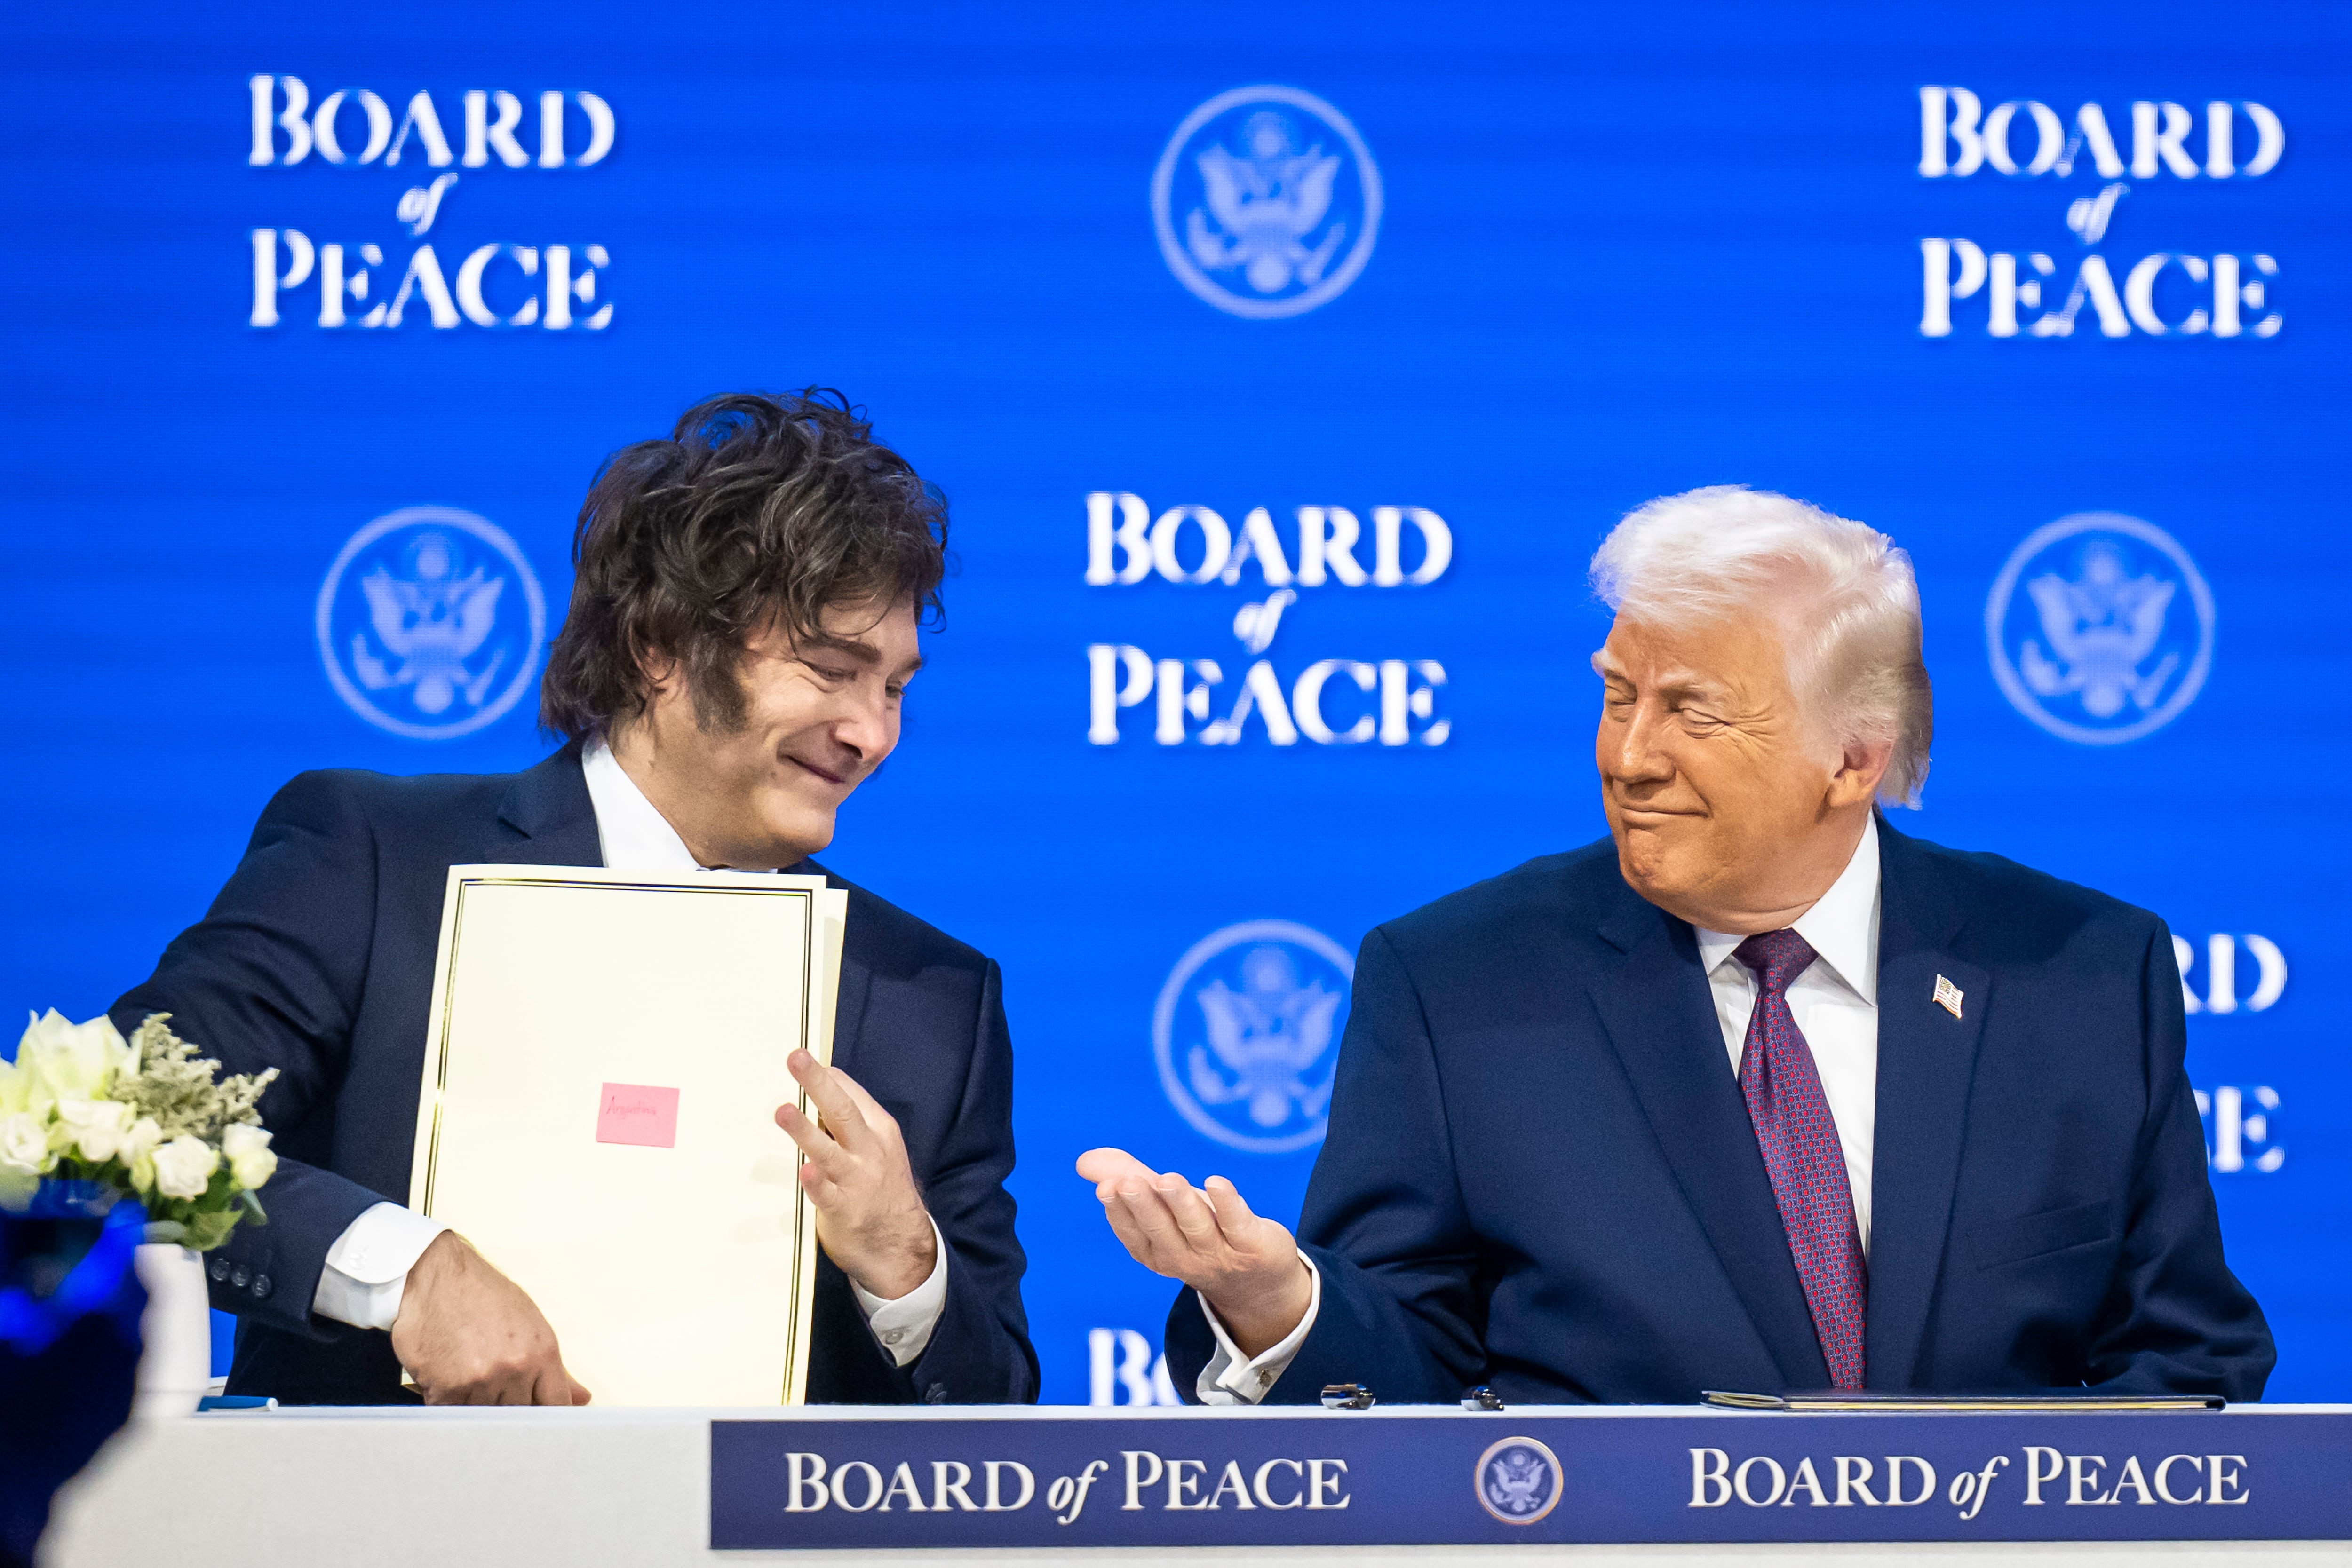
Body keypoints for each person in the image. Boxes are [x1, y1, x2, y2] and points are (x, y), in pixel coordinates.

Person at [1080, 485, 2273, 1404]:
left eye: (1692, 710)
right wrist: (1274, 1302)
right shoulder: (1457, 983)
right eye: (1617, 694)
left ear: (1852, 758)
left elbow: (2185, 1360)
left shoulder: (2078, 972)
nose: (1629, 754)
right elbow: (1408, 1377)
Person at [114, 391, 1035, 1406]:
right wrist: (403, 1268)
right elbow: (120, 1133)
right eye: (829, 669)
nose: (873, 733)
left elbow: (990, 1415)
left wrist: (907, 1264)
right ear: (663, 645)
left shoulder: (928, 993)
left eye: (896, 687)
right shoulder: (370, 861)